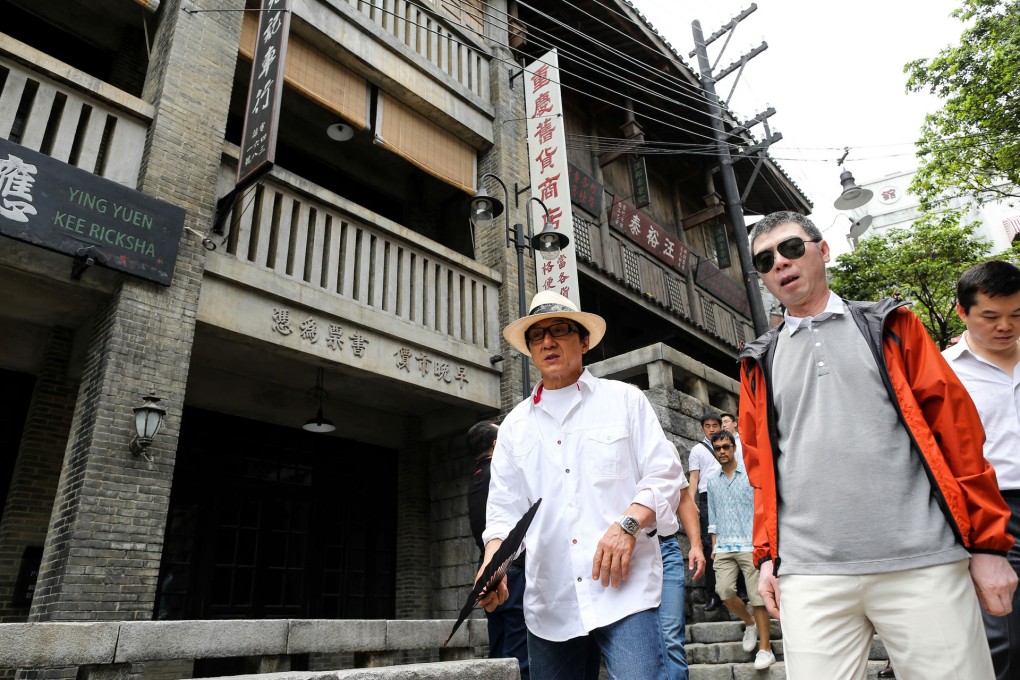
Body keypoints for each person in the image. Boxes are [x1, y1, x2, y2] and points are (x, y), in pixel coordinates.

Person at [739, 210, 1016, 680]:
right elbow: (761, 469)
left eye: (790, 248)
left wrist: (989, 546)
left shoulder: (891, 325)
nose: (780, 264)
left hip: (923, 560)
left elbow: (957, 434)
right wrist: (767, 558)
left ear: (822, 251)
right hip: (809, 574)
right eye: (765, 260)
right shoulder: (758, 360)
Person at [478, 290, 688, 680]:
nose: (547, 342)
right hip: (551, 600)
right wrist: (495, 563)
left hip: (624, 591)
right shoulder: (514, 427)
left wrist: (628, 524)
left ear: (585, 341)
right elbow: (505, 512)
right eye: (537, 336)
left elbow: (666, 474)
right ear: (529, 350)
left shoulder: (624, 400)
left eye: (559, 330)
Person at [943, 260, 1020, 680]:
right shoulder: (944, 373)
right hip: (993, 511)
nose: (1005, 326)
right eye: (991, 316)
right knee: (1003, 637)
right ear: (962, 312)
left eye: (1017, 315)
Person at [706, 429, 774, 671]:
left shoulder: (750, 474)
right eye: (718, 448)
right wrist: (714, 545)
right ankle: (750, 623)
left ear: (734, 448)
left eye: (726, 447)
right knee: (724, 592)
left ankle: (765, 649)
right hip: (724, 546)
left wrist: (763, 541)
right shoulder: (712, 481)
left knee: (757, 597)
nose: (722, 451)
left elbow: (762, 507)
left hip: (751, 544)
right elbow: (712, 515)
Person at [466, 420, 529, 680]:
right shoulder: (498, 474)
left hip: (492, 566)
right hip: (511, 567)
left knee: (500, 647)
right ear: (496, 444)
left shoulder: (478, 477)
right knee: (518, 652)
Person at [657, 450, 707, 680]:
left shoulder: (662, 445)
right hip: (624, 552)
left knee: (670, 638)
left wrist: (696, 545)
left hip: (664, 545)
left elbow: (684, 497)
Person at [687, 413, 723, 612]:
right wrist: (691, 503)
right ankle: (713, 594)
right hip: (707, 495)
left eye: (715, 425)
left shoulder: (728, 445)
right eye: (707, 426)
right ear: (702, 428)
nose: (711, 429)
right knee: (709, 544)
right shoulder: (697, 450)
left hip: (728, 492)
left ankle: (741, 590)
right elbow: (694, 478)